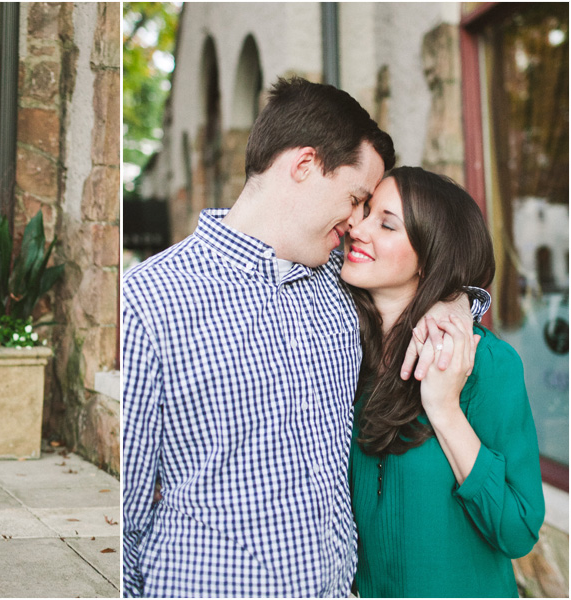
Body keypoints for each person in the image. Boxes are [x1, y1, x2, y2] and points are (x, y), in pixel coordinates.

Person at [122, 77, 490, 597]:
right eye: (357, 198)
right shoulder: (148, 300)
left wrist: (450, 302)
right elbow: (127, 516)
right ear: (304, 165)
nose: (357, 222)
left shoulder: (341, 283)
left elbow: (433, 271)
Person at [342, 167, 545, 597]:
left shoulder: (484, 363)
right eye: (364, 212)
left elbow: (518, 529)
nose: (356, 229)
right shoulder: (345, 352)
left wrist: (445, 410)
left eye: (386, 222)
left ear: (430, 255)